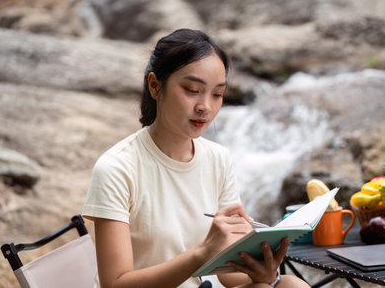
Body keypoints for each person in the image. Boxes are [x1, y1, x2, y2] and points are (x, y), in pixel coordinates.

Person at [83, 29, 310, 288]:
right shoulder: (117, 167)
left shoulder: (218, 159)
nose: (206, 106)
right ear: (155, 86)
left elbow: (227, 274)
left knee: (291, 285)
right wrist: (202, 252)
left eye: (217, 94)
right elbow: (115, 283)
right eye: (192, 90)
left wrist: (261, 270)